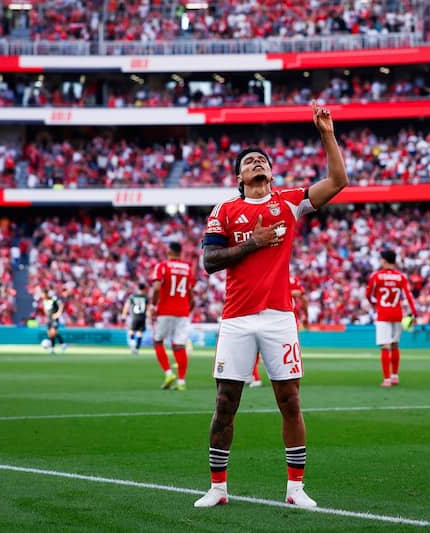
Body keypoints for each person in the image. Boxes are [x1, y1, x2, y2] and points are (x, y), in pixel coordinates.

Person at [194, 102, 348, 508]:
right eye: (249, 161)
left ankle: (296, 489)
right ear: (240, 176)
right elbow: (210, 262)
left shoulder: (290, 202)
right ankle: (218, 488)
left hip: (280, 317)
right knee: (226, 402)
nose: (257, 163)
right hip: (237, 319)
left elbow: (338, 180)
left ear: (271, 172)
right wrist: (253, 243)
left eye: (262, 159)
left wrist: (326, 133)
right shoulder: (225, 210)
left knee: (290, 401)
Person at [366, 249, 416, 387]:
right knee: (395, 344)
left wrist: (375, 304)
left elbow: (368, 294)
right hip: (397, 313)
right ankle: (395, 376)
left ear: (384, 260)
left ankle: (386, 379)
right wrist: (414, 313)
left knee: (385, 346)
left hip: (383, 314)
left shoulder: (376, 276)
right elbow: (408, 296)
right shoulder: (401, 277)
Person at [148, 241, 194, 390]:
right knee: (179, 345)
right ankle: (181, 382)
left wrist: (153, 306)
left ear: (169, 252)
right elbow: (191, 293)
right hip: (183, 311)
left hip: (165, 311)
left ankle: (168, 373)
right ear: (180, 253)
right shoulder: (187, 268)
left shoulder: (162, 266)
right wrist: (188, 308)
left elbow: (156, 289)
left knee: (158, 341)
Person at [250, 275, 308, 388]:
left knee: (287, 349)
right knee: (254, 348)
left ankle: (288, 377)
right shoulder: (269, 276)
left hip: (287, 318)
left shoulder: (290, 279)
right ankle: (255, 376)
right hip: (267, 316)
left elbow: (300, 293)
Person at [122, 282, 149, 355]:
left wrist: (124, 315)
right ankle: (137, 348)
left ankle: (133, 344)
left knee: (131, 331)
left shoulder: (132, 296)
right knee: (140, 333)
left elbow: (126, 306)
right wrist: (149, 317)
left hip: (134, 317)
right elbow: (147, 308)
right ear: (144, 289)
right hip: (142, 317)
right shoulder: (145, 297)